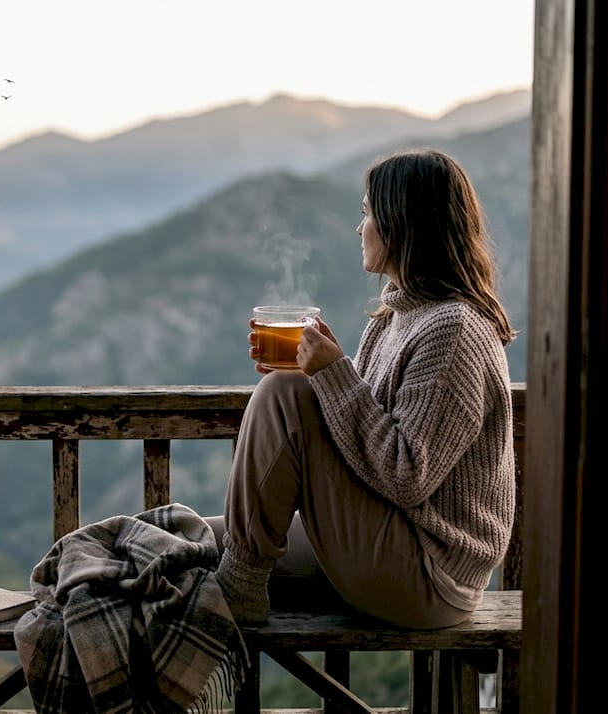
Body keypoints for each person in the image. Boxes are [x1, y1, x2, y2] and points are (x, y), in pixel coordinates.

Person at [210, 147, 517, 630]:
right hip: (394, 542)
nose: (360, 228)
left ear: (402, 223)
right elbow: (369, 426)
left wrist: (327, 378)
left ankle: (240, 591)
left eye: (368, 212)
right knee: (200, 541)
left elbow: (406, 474)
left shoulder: (453, 330)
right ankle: (226, 572)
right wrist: (327, 372)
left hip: (430, 573)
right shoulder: (395, 319)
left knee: (282, 394)